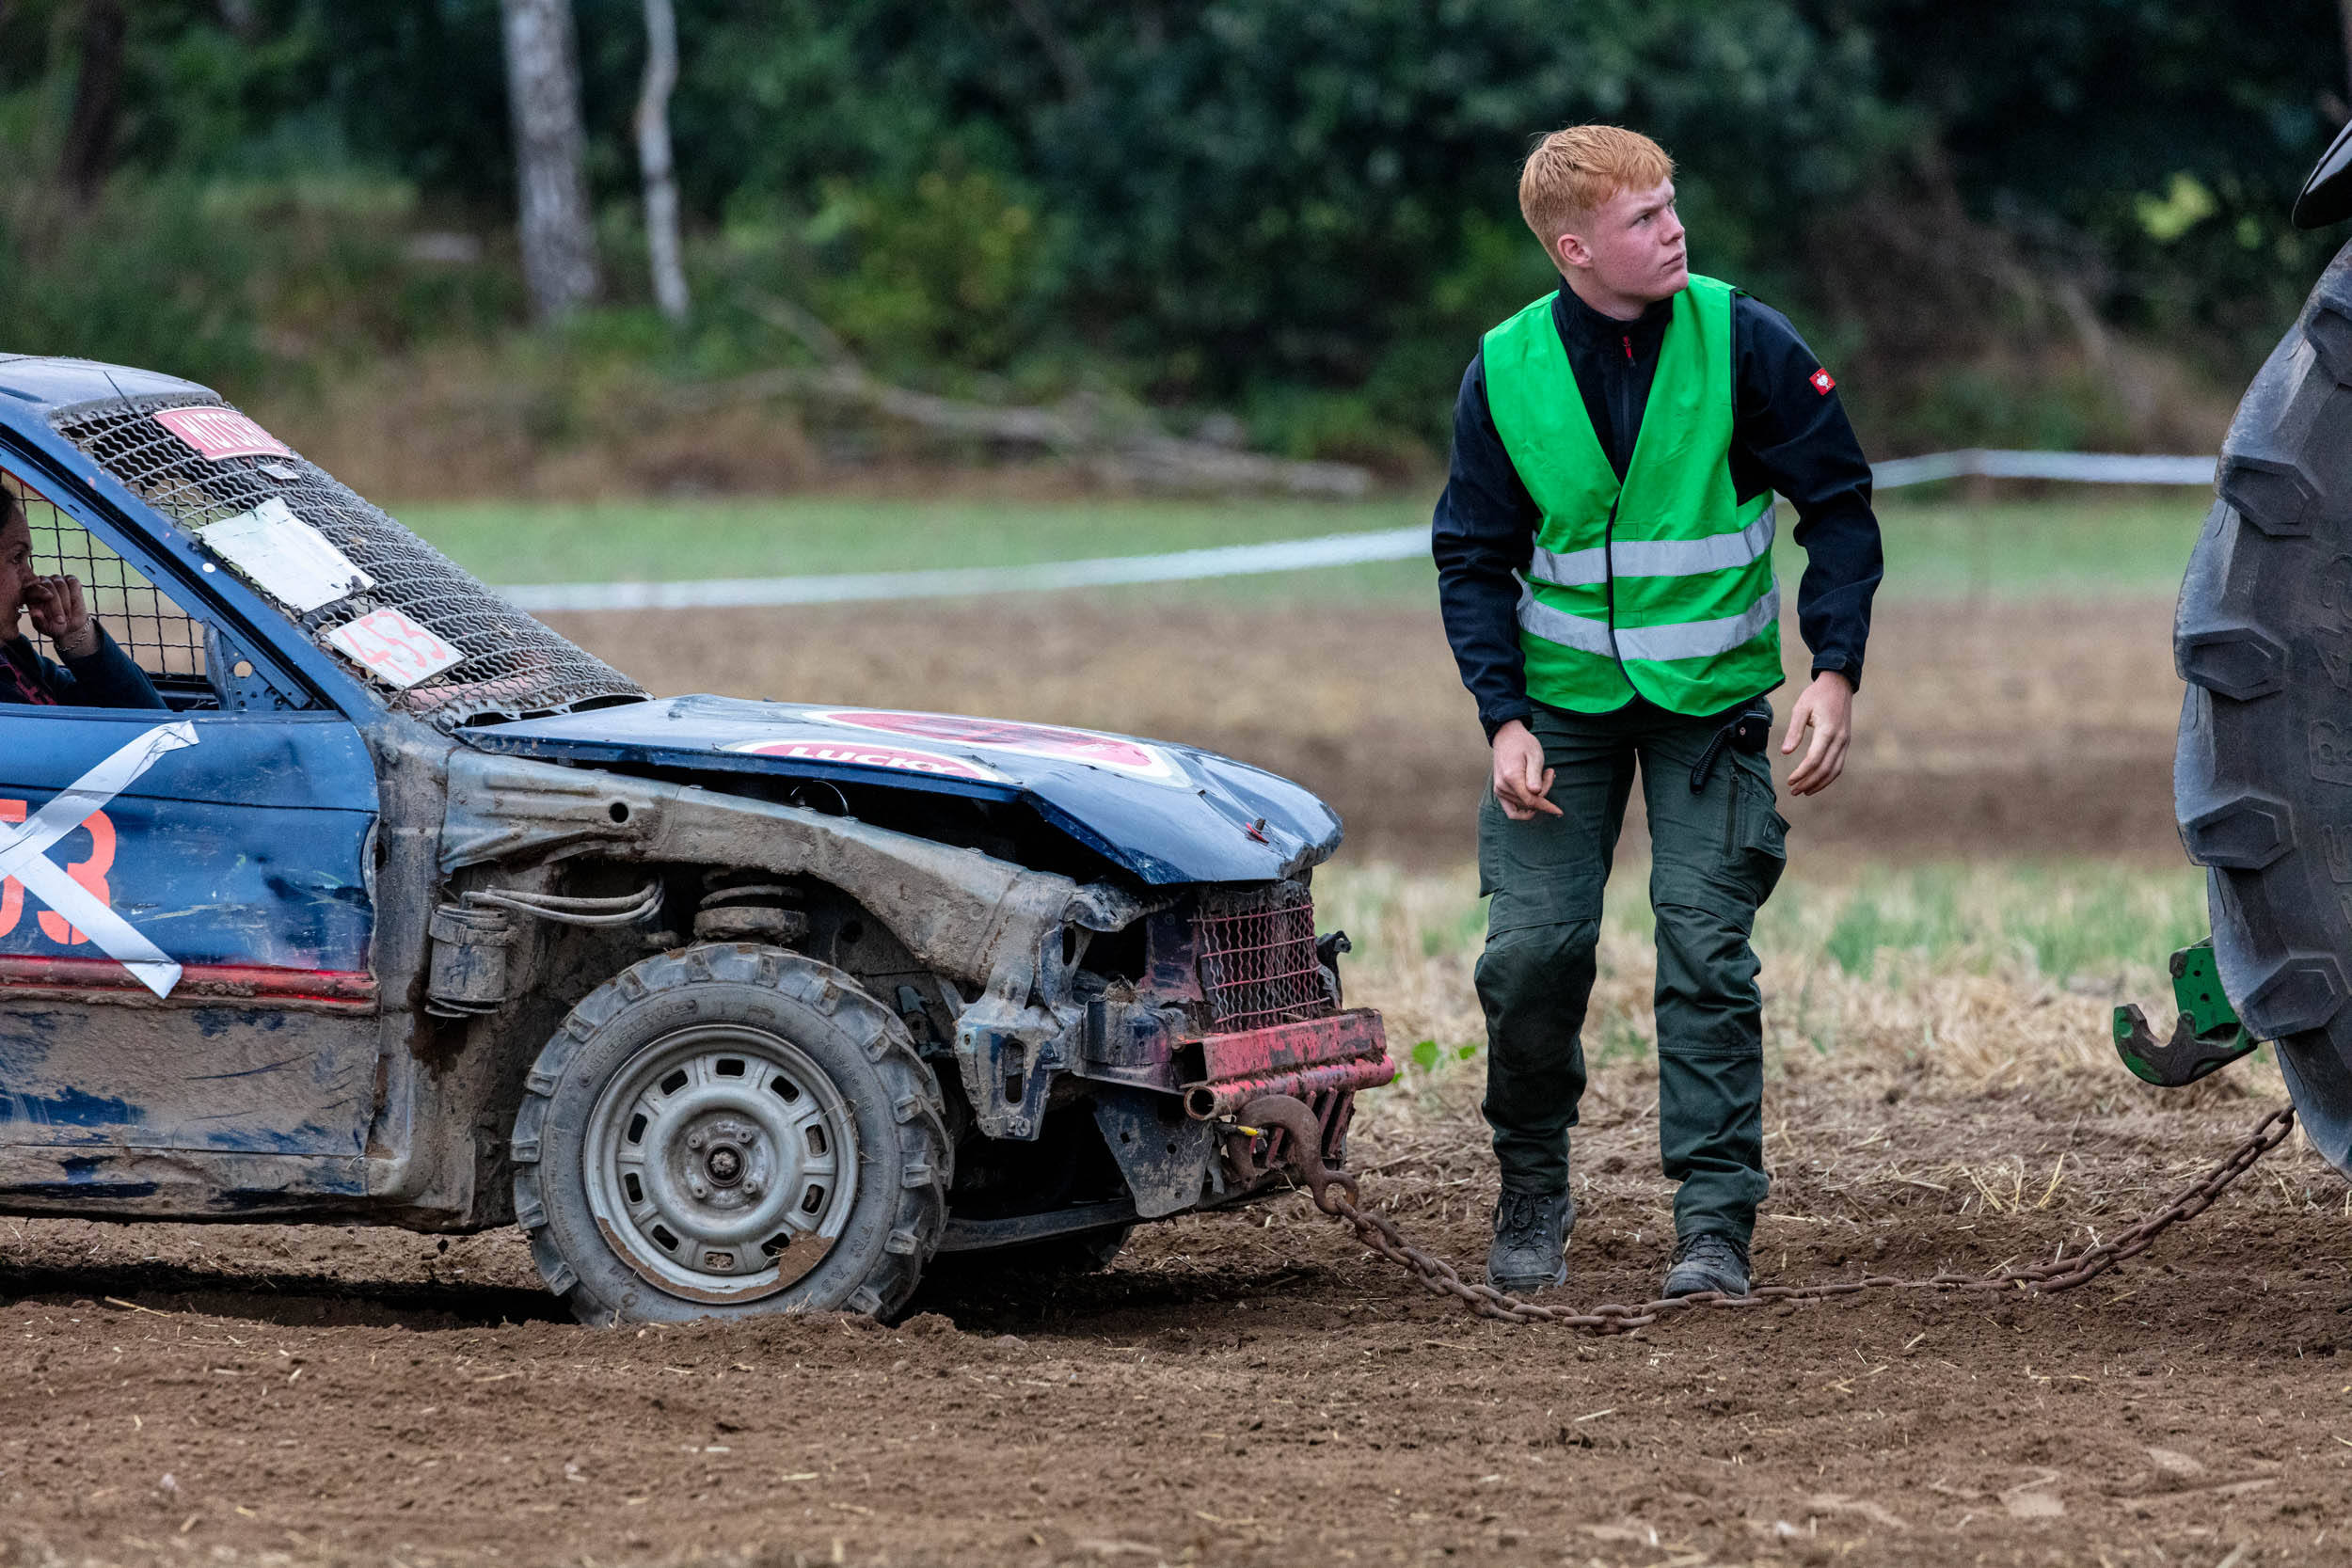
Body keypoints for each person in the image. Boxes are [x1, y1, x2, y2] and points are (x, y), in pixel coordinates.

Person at [1432, 125, 1883, 1299]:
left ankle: (1714, 1226)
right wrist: (1503, 719)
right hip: (1557, 712)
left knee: (1703, 949)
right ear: (1574, 249)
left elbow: (1839, 507)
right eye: (1644, 218)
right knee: (1532, 953)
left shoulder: (1747, 339)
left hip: (1710, 707)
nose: (1675, 229)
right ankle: (1532, 1186)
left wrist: (1833, 668)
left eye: (1672, 204)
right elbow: (1472, 557)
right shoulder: (1505, 368)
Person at [0, 487, 166, 709]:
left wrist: (77, 635)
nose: (32, 579)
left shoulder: (13, 653)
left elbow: (145, 716)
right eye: (17, 557)